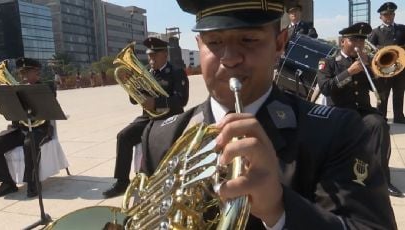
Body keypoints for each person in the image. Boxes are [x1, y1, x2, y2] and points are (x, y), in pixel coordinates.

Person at [138, 0, 397, 229]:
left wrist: (279, 210)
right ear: (199, 45)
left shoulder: (337, 132)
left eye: (249, 40)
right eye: (214, 42)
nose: (229, 58)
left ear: (279, 44)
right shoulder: (160, 137)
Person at [316, 22, 404, 198]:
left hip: (363, 111)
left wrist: (377, 72)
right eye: (354, 40)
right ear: (343, 42)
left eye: (362, 41)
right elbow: (326, 88)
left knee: (379, 124)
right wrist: (349, 72)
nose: (358, 44)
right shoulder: (329, 63)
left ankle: (382, 180)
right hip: (340, 113)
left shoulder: (367, 63)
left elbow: (379, 90)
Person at [102, 37, 189, 198]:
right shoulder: (148, 72)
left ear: (164, 55)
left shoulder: (176, 73)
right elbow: (134, 100)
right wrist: (130, 86)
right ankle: (122, 183)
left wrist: (156, 102)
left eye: (154, 56)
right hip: (148, 117)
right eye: (149, 56)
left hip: (168, 118)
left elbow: (181, 100)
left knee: (149, 137)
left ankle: (154, 181)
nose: (151, 59)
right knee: (123, 136)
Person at [0, 57, 55, 199]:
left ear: (37, 73)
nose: (23, 76)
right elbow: (9, 114)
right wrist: (4, 103)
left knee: (30, 144)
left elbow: (48, 109)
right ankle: (7, 184)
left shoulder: (46, 88)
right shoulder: (14, 90)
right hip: (19, 130)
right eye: (21, 73)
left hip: (39, 130)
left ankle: (33, 182)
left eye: (27, 72)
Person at [368, 2, 405, 124]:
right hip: (384, 69)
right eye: (386, 15)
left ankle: (399, 117)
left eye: (391, 14)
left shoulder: (402, 29)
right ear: (380, 17)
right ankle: (381, 117)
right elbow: (369, 50)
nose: (389, 17)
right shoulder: (375, 32)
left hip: (400, 67)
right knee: (383, 95)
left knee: (399, 94)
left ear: (394, 15)